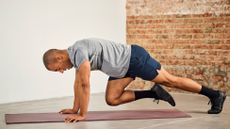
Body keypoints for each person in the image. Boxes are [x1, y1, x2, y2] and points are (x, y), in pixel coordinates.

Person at [43, 38, 226, 123]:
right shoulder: (76, 56)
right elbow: (78, 84)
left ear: (59, 58)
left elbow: (84, 84)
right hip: (121, 68)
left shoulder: (78, 51)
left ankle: (216, 95)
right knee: (112, 99)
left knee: (171, 80)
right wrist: (75, 109)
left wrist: (82, 114)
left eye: (57, 69)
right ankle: (152, 92)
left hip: (133, 58)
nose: (60, 72)